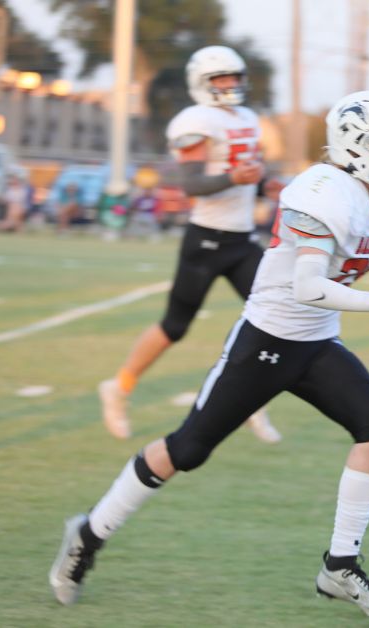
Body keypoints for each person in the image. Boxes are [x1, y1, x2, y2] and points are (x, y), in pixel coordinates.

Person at [50, 90, 369, 616]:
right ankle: (90, 532)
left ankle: (339, 565)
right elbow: (307, 286)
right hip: (268, 340)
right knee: (187, 450)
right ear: (356, 147)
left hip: (316, 341)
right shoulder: (323, 190)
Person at [97, 45, 282, 443]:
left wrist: (268, 185)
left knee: (275, 318)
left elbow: (247, 175)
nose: (231, 85)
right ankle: (119, 387)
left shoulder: (249, 118)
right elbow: (192, 183)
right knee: (174, 326)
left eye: (235, 77)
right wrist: (237, 179)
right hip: (206, 241)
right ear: (202, 84)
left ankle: (253, 401)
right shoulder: (196, 121)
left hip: (241, 238)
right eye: (222, 79)